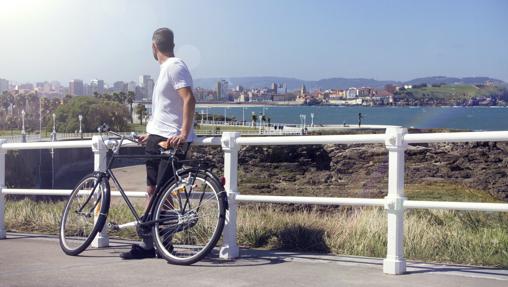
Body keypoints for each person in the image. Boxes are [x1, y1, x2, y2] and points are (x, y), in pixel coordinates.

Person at [120, 27, 196, 260]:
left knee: (164, 193)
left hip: (171, 141)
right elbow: (166, 109)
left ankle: (165, 244)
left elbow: (189, 99)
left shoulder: (175, 66)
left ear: (154, 47)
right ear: (171, 44)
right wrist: (150, 133)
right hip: (156, 138)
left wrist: (183, 133)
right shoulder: (165, 69)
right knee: (152, 190)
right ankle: (148, 245)